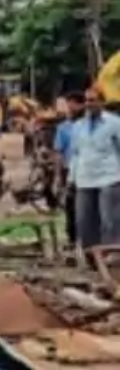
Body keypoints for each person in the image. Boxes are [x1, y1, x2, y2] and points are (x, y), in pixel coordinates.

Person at [73, 86, 120, 257]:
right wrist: (70, 179)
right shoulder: (78, 126)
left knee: (109, 221)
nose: (88, 104)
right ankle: (92, 258)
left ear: (102, 102)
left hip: (109, 177)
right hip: (84, 179)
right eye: (86, 100)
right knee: (84, 222)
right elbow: (76, 154)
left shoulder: (114, 123)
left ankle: (111, 257)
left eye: (92, 100)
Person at [54, 91, 85, 245]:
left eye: (71, 104)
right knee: (71, 204)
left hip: (88, 169)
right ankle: (72, 236)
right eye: (68, 104)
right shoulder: (63, 128)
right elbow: (59, 153)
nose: (69, 108)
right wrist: (59, 176)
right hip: (69, 170)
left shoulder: (90, 124)